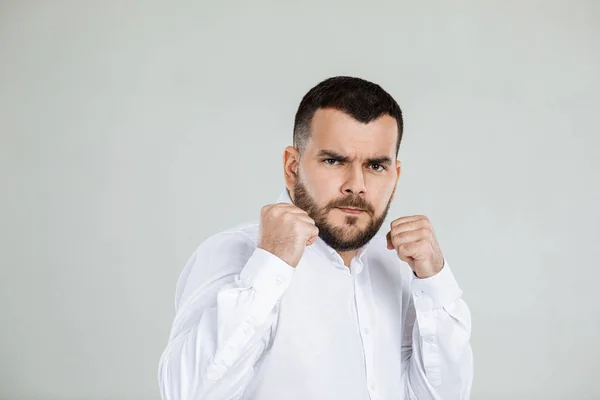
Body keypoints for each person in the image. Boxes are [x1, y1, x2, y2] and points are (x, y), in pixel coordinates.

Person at [158, 76, 473, 400]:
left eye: (376, 165)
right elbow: (188, 393)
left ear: (396, 175)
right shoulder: (235, 252)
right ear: (293, 167)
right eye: (334, 161)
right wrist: (270, 265)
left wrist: (435, 282)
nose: (356, 184)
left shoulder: (404, 269)